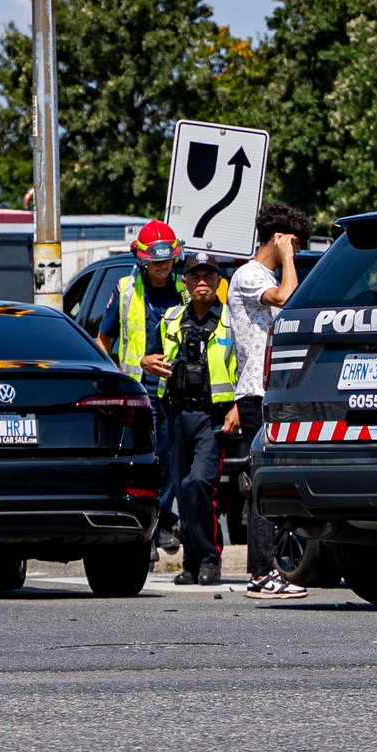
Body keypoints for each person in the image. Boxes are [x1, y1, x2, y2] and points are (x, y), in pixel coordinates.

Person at [230, 201, 312, 598]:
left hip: (276, 392)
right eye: (291, 243)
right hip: (256, 394)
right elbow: (286, 299)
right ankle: (261, 571)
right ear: (278, 238)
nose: (293, 252)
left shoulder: (264, 273)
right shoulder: (248, 274)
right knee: (262, 482)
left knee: (276, 482)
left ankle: (273, 566)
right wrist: (286, 258)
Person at [98, 221, 184, 552]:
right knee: (141, 461)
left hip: (175, 389)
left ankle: (162, 520)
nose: (163, 268)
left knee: (170, 459)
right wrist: (114, 380)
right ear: (143, 260)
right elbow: (103, 341)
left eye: (168, 261)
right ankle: (147, 530)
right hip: (137, 392)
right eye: (157, 263)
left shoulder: (184, 289)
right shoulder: (126, 290)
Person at [157, 251, 237, 586]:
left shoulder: (231, 321)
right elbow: (150, 356)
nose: (201, 282)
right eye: (195, 277)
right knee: (180, 487)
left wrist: (237, 408)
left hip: (213, 415)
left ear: (218, 282)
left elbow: (245, 366)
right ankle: (191, 562)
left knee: (199, 483)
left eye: (208, 277)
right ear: (186, 282)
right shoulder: (171, 318)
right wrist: (148, 363)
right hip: (176, 412)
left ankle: (209, 558)